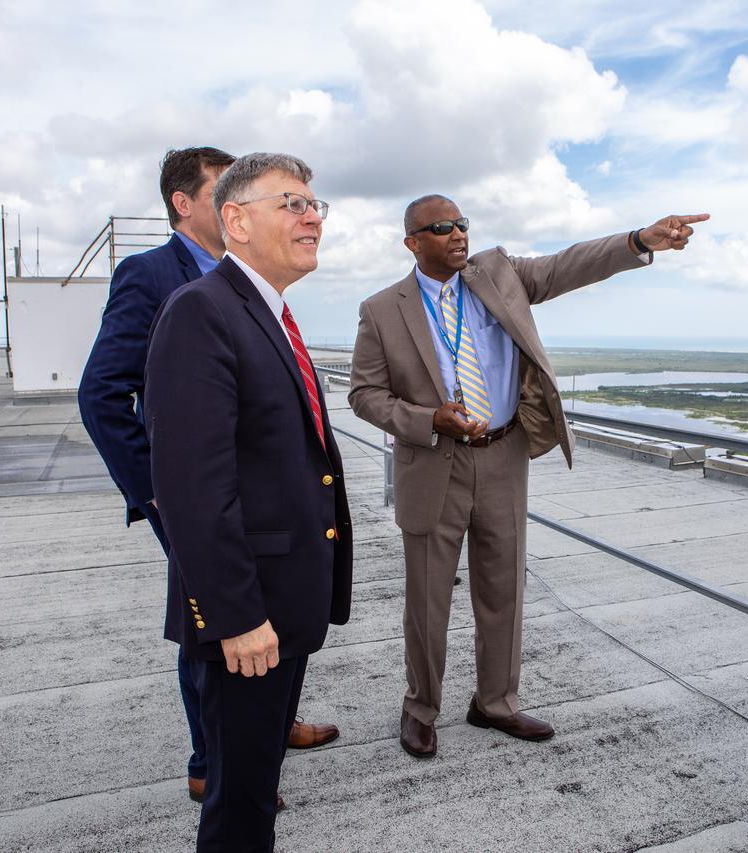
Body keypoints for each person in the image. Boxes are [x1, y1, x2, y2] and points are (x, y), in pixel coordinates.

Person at [348, 194, 707, 757]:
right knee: (427, 598)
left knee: (503, 590)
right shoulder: (382, 309)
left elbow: (569, 265)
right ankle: (421, 708)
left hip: (502, 455)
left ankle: (496, 702)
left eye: (462, 223)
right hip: (433, 460)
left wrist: (638, 240)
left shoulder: (499, 274)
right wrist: (426, 419)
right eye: (441, 227)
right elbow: (365, 395)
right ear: (412, 242)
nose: (458, 233)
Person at [77, 148, 339, 811]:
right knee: (216, 625)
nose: (304, 216)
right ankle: (212, 761)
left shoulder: (265, 293)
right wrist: (160, 492)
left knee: (259, 631)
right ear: (186, 204)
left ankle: (266, 727)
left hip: (262, 508)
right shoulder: (154, 277)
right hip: (198, 497)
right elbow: (102, 393)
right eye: (223, 189)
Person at [144, 152, 352, 851]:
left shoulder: (268, 312)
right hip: (248, 621)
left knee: (257, 787)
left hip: (282, 605)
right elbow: (191, 486)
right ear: (235, 220)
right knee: (237, 807)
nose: (312, 215)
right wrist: (236, 616)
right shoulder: (202, 312)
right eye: (291, 202)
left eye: (315, 203)